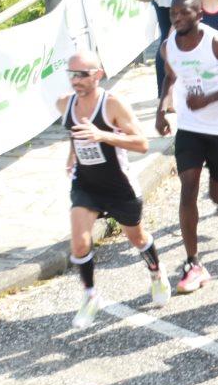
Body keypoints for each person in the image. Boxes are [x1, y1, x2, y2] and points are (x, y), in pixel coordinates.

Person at [155, 0, 218, 293]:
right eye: (173, 13)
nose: (178, 18)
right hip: (190, 126)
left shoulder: (216, 44)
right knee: (188, 187)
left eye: (185, 12)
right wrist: (161, 109)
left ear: (199, 14)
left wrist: (209, 98)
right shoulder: (168, 46)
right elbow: (171, 76)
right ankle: (193, 262)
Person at [61, 51, 166, 328]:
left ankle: (156, 272)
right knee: (80, 242)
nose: (76, 80)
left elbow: (142, 143)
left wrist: (103, 135)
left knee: (137, 237)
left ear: (98, 74)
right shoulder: (65, 104)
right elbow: (75, 134)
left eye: (82, 74)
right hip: (86, 185)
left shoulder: (113, 105)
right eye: (71, 74)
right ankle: (90, 295)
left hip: (119, 185)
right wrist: (72, 157)